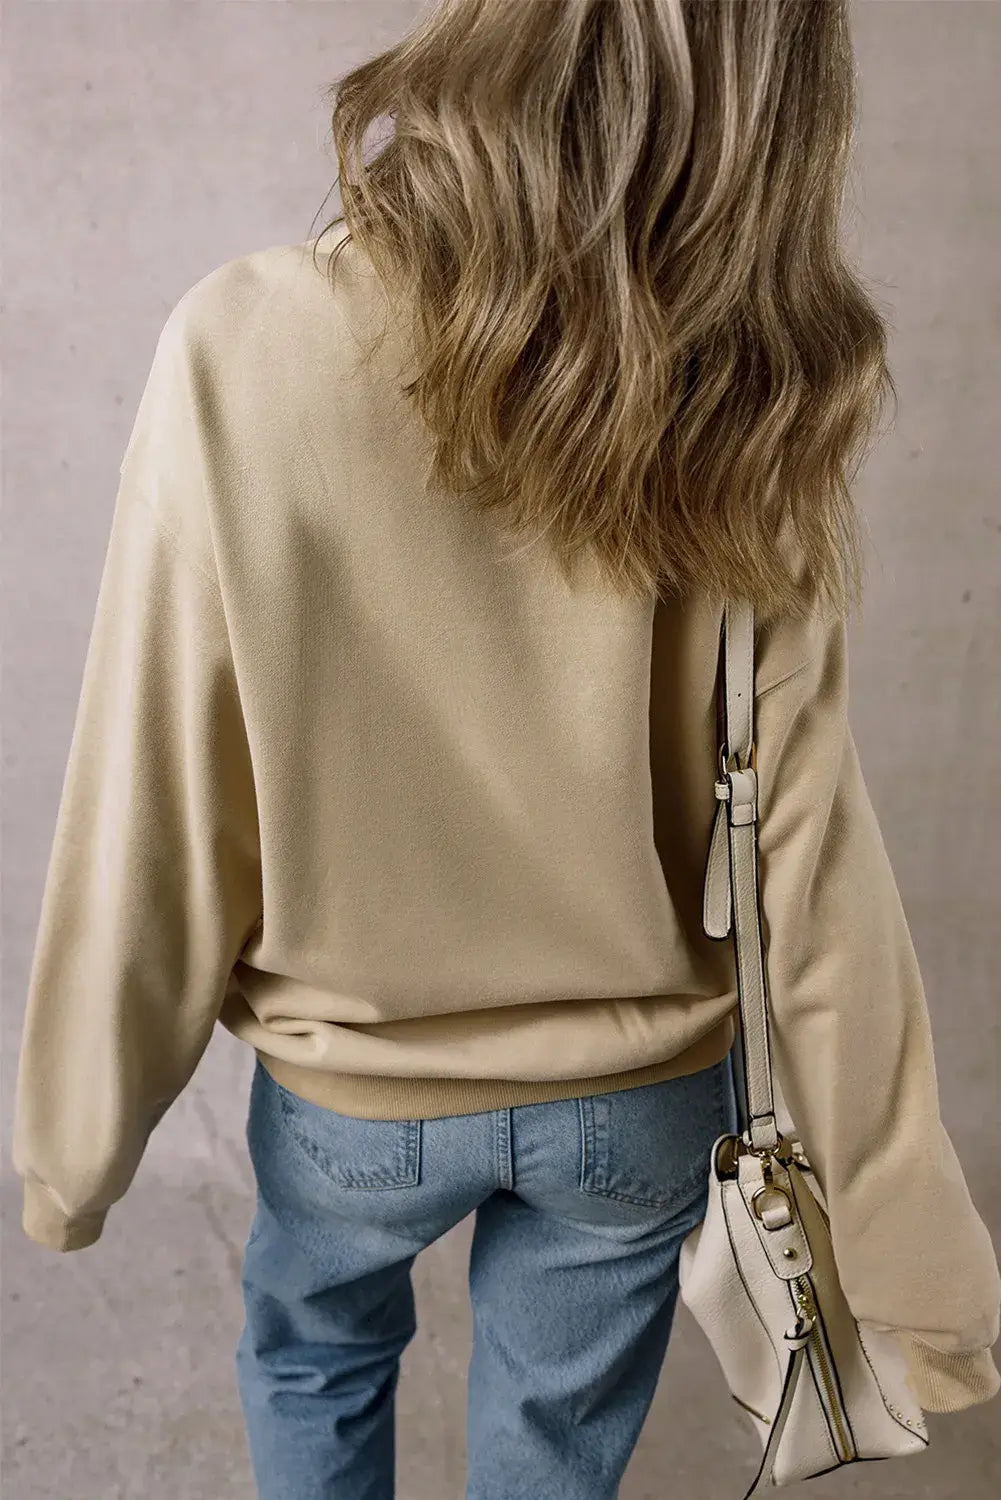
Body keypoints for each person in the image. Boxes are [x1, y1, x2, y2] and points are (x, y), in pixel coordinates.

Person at [12, 1, 1000, 1496]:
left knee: (311, 1355)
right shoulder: (754, 398)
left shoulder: (244, 338)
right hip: (637, 1100)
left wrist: (72, 1147)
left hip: (354, 1087)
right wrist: (922, 1278)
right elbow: (812, 860)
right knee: (546, 1447)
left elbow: (157, 780)